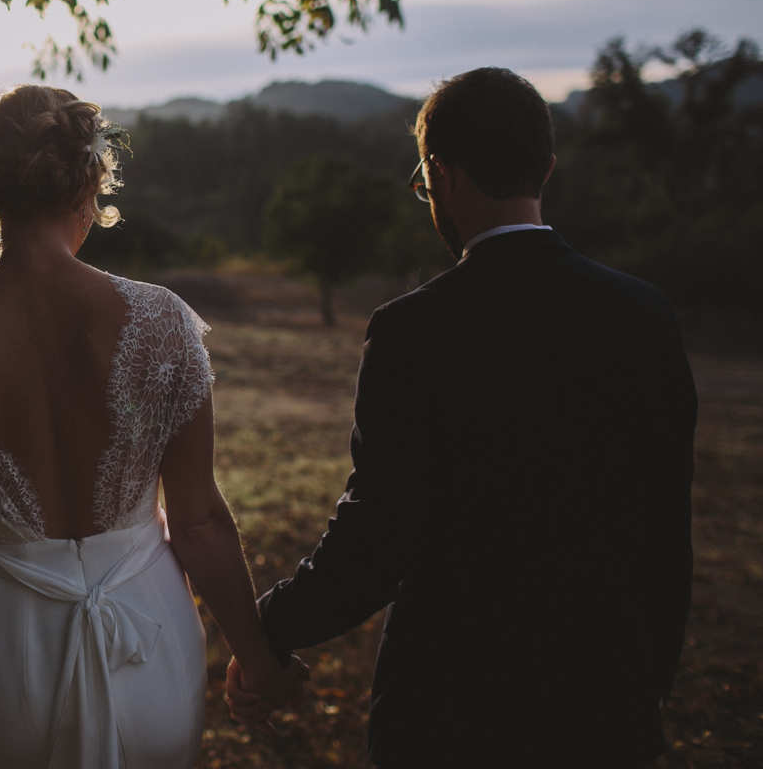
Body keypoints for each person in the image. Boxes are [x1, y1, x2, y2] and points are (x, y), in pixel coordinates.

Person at [228, 68, 697, 768]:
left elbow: (375, 538)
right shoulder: (644, 313)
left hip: (451, 712)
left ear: (441, 174)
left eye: (424, 184)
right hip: (608, 708)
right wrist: (642, 688)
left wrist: (265, 629)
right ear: (545, 167)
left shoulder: (412, 331)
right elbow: (666, 532)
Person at [0, 85, 301, 768]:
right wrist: (260, 663)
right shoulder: (162, 321)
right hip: (148, 645)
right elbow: (198, 523)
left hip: (7, 657)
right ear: (89, 189)